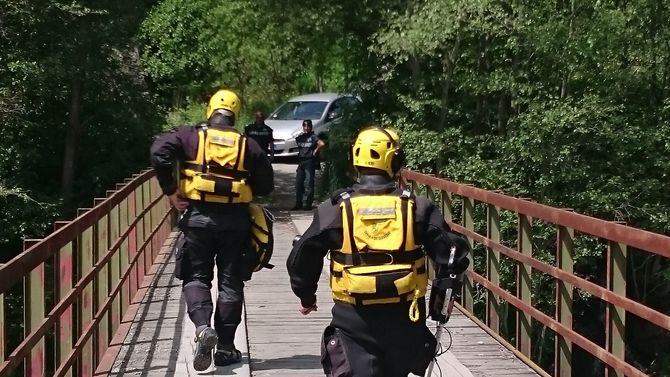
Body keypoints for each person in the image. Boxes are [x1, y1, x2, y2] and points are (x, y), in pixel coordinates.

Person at [286, 126, 470, 377]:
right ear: (393, 161)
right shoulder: (417, 208)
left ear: (354, 161)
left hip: (353, 322)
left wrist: (306, 296)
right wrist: (442, 300)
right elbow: (453, 254)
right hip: (407, 320)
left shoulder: (335, 209)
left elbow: (301, 257)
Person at [150, 89, 273, 371]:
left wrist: (171, 190)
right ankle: (227, 348)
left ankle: (203, 328)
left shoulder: (190, 136)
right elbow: (266, 185)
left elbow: (159, 151)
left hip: (197, 220)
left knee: (196, 277)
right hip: (235, 224)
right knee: (231, 282)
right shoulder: (248, 145)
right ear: (235, 114)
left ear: (210, 110)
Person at [293, 119, 325, 210]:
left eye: (308, 126)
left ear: (311, 127)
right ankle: (298, 204)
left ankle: (308, 205)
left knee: (309, 183)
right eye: (305, 126)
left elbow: (322, 144)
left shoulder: (313, 137)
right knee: (298, 184)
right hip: (301, 162)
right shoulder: (301, 137)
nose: (306, 128)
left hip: (309, 162)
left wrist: (315, 151)